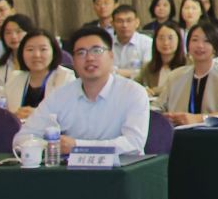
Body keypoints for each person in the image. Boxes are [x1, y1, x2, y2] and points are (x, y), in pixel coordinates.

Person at [16, 26, 150, 155]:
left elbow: (134, 144)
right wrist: (52, 145)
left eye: (96, 50)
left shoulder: (133, 93)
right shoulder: (60, 96)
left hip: (122, 168)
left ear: (111, 56)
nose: (89, 58)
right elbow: (22, 138)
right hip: (72, 169)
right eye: (81, 53)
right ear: (73, 61)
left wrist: (77, 146)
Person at [160, 21, 218, 125]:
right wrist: (165, 117)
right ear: (188, 46)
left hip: (214, 132)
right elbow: (158, 107)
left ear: (215, 47)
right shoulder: (175, 76)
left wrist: (199, 118)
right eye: (195, 40)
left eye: (206, 41)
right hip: (177, 132)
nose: (200, 45)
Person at [0, 29, 74, 120]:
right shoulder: (15, 78)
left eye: (43, 49)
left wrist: (40, 115)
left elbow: (71, 115)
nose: (36, 55)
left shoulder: (65, 77)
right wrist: (13, 116)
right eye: (30, 49)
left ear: (54, 52)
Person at [138, 24, 187, 94]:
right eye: (161, 38)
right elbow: (135, 84)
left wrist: (154, 91)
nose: (166, 43)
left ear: (179, 40)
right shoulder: (148, 67)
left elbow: (179, 87)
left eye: (170, 38)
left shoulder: (188, 65)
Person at [107, 5, 153, 79]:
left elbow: (147, 72)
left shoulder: (147, 43)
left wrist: (117, 72)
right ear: (112, 24)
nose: (124, 25)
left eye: (129, 21)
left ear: (137, 22)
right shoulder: (106, 43)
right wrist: (132, 73)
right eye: (120, 21)